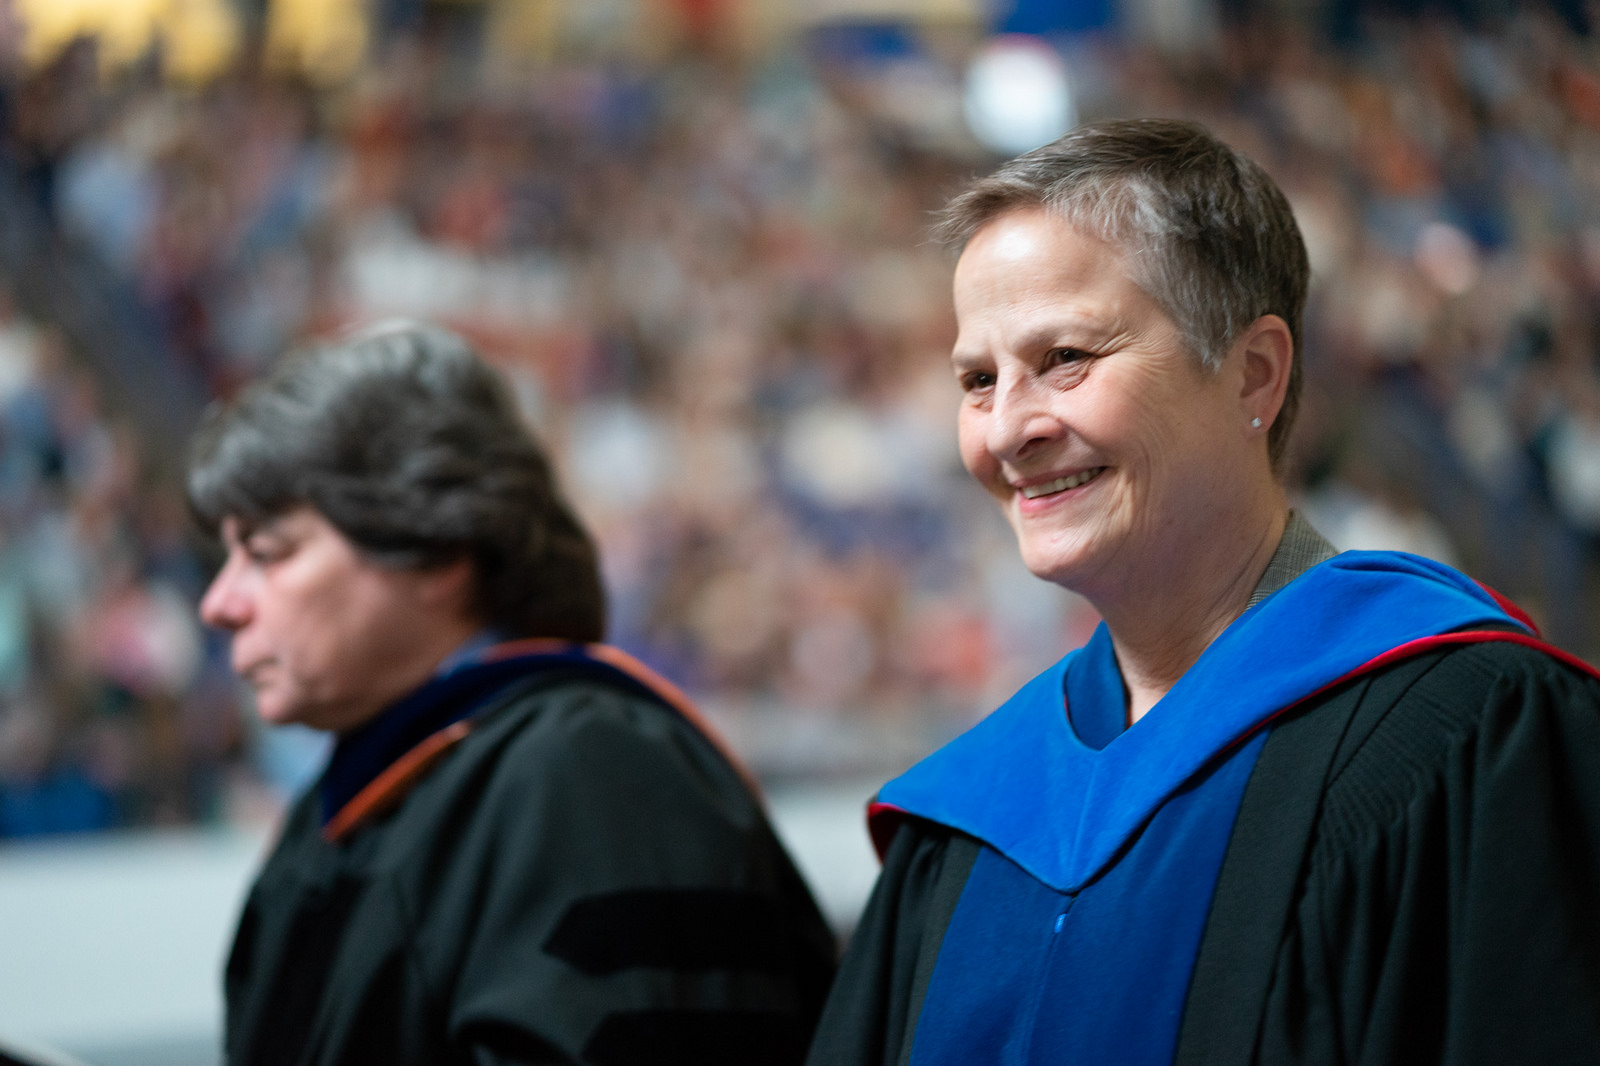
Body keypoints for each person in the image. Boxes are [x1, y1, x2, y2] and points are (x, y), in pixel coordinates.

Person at [805, 119, 1600, 1065]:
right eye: (979, 379)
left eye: (1066, 357)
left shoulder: (1466, 737)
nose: (1008, 429)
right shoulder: (971, 817)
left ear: (1253, 375)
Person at [189, 321, 835, 1066]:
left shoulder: (596, 777)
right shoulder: (337, 812)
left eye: (267, 553)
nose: (219, 603)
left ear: (435, 549)